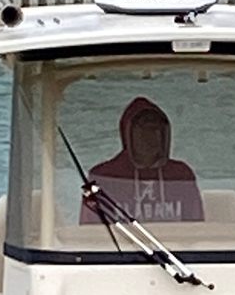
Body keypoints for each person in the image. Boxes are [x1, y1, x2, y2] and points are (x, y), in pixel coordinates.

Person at [83, 95, 204, 225]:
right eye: (144, 129)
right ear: (128, 134)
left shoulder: (181, 175)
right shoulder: (101, 178)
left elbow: (197, 228)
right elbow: (88, 230)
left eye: (157, 129)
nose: (152, 136)